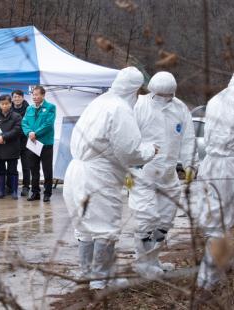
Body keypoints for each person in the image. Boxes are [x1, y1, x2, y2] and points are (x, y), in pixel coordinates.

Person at [63, 67, 158, 290]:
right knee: (105, 227)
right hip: (99, 175)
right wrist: (149, 151)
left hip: (77, 170)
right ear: (135, 90)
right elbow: (129, 151)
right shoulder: (120, 109)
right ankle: (102, 278)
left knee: (86, 227)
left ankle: (88, 273)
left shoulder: (100, 102)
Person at [128, 71, 198, 279]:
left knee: (165, 221)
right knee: (146, 219)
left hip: (168, 175)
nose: (165, 99)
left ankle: (153, 259)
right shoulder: (139, 106)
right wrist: (127, 169)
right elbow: (128, 139)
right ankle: (142, 262)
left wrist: (190, 164)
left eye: (169, 95)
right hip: (143, 174)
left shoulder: (180, 109)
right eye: (161, 94)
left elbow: (187, 138)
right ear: (152, 91)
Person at [195, 73, 234, 289]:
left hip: (211, 163)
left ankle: (221, 265)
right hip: (229, 166)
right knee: (220, 224)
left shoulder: (217, 99)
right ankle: (208, 279)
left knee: (217, 221)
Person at [22, 86, 56, 202]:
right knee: (34, 169)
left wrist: (35, 133)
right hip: (33, 143)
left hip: (45, 143)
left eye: (37, 94)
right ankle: (35, 192)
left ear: (43, 95)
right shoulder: (29, 109)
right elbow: (24, 122)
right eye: (33, 95)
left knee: (47, 169)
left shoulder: (51, 107)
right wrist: (29, 132)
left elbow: (48, 124)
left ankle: (47, 193)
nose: (35, 97)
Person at [0, 95, 22, 199]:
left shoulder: (16, 116)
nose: (4, 106)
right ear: (0, 104)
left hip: (12, 148)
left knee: (13, 170)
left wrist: (4, 137)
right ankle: (1, 191)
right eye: (2, 104)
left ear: (10, 104)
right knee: (0, 170)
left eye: (6, 104)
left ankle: (14, 191)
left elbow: (17, 130)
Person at [11, 90, 31, 196]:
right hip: (13, 142)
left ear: (23, 98)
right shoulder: (9, 109)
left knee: (26, 166)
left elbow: (29, 124)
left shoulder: (29, 109)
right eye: (15, 97)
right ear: (12, 98)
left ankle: (26, 186)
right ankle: (11, 186)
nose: (17, 99)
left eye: (19, 97)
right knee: (12, 166)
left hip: (25, 141)